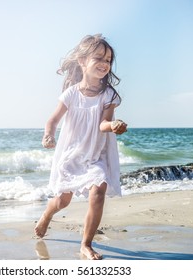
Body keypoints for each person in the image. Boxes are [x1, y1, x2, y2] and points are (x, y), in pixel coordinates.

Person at [34, 34, 128, 260]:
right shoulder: (71, 93)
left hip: (95, 155)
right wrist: (48, 135)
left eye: (108, 60)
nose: (105, 63)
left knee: (99, 190)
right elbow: (53, 120)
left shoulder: (109, 95)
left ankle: (85, 244)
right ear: (82, 61)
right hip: (71, 154)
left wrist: (113, 125)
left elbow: (102, 124)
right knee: (62, 201)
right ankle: (48, 214)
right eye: (99, 58)